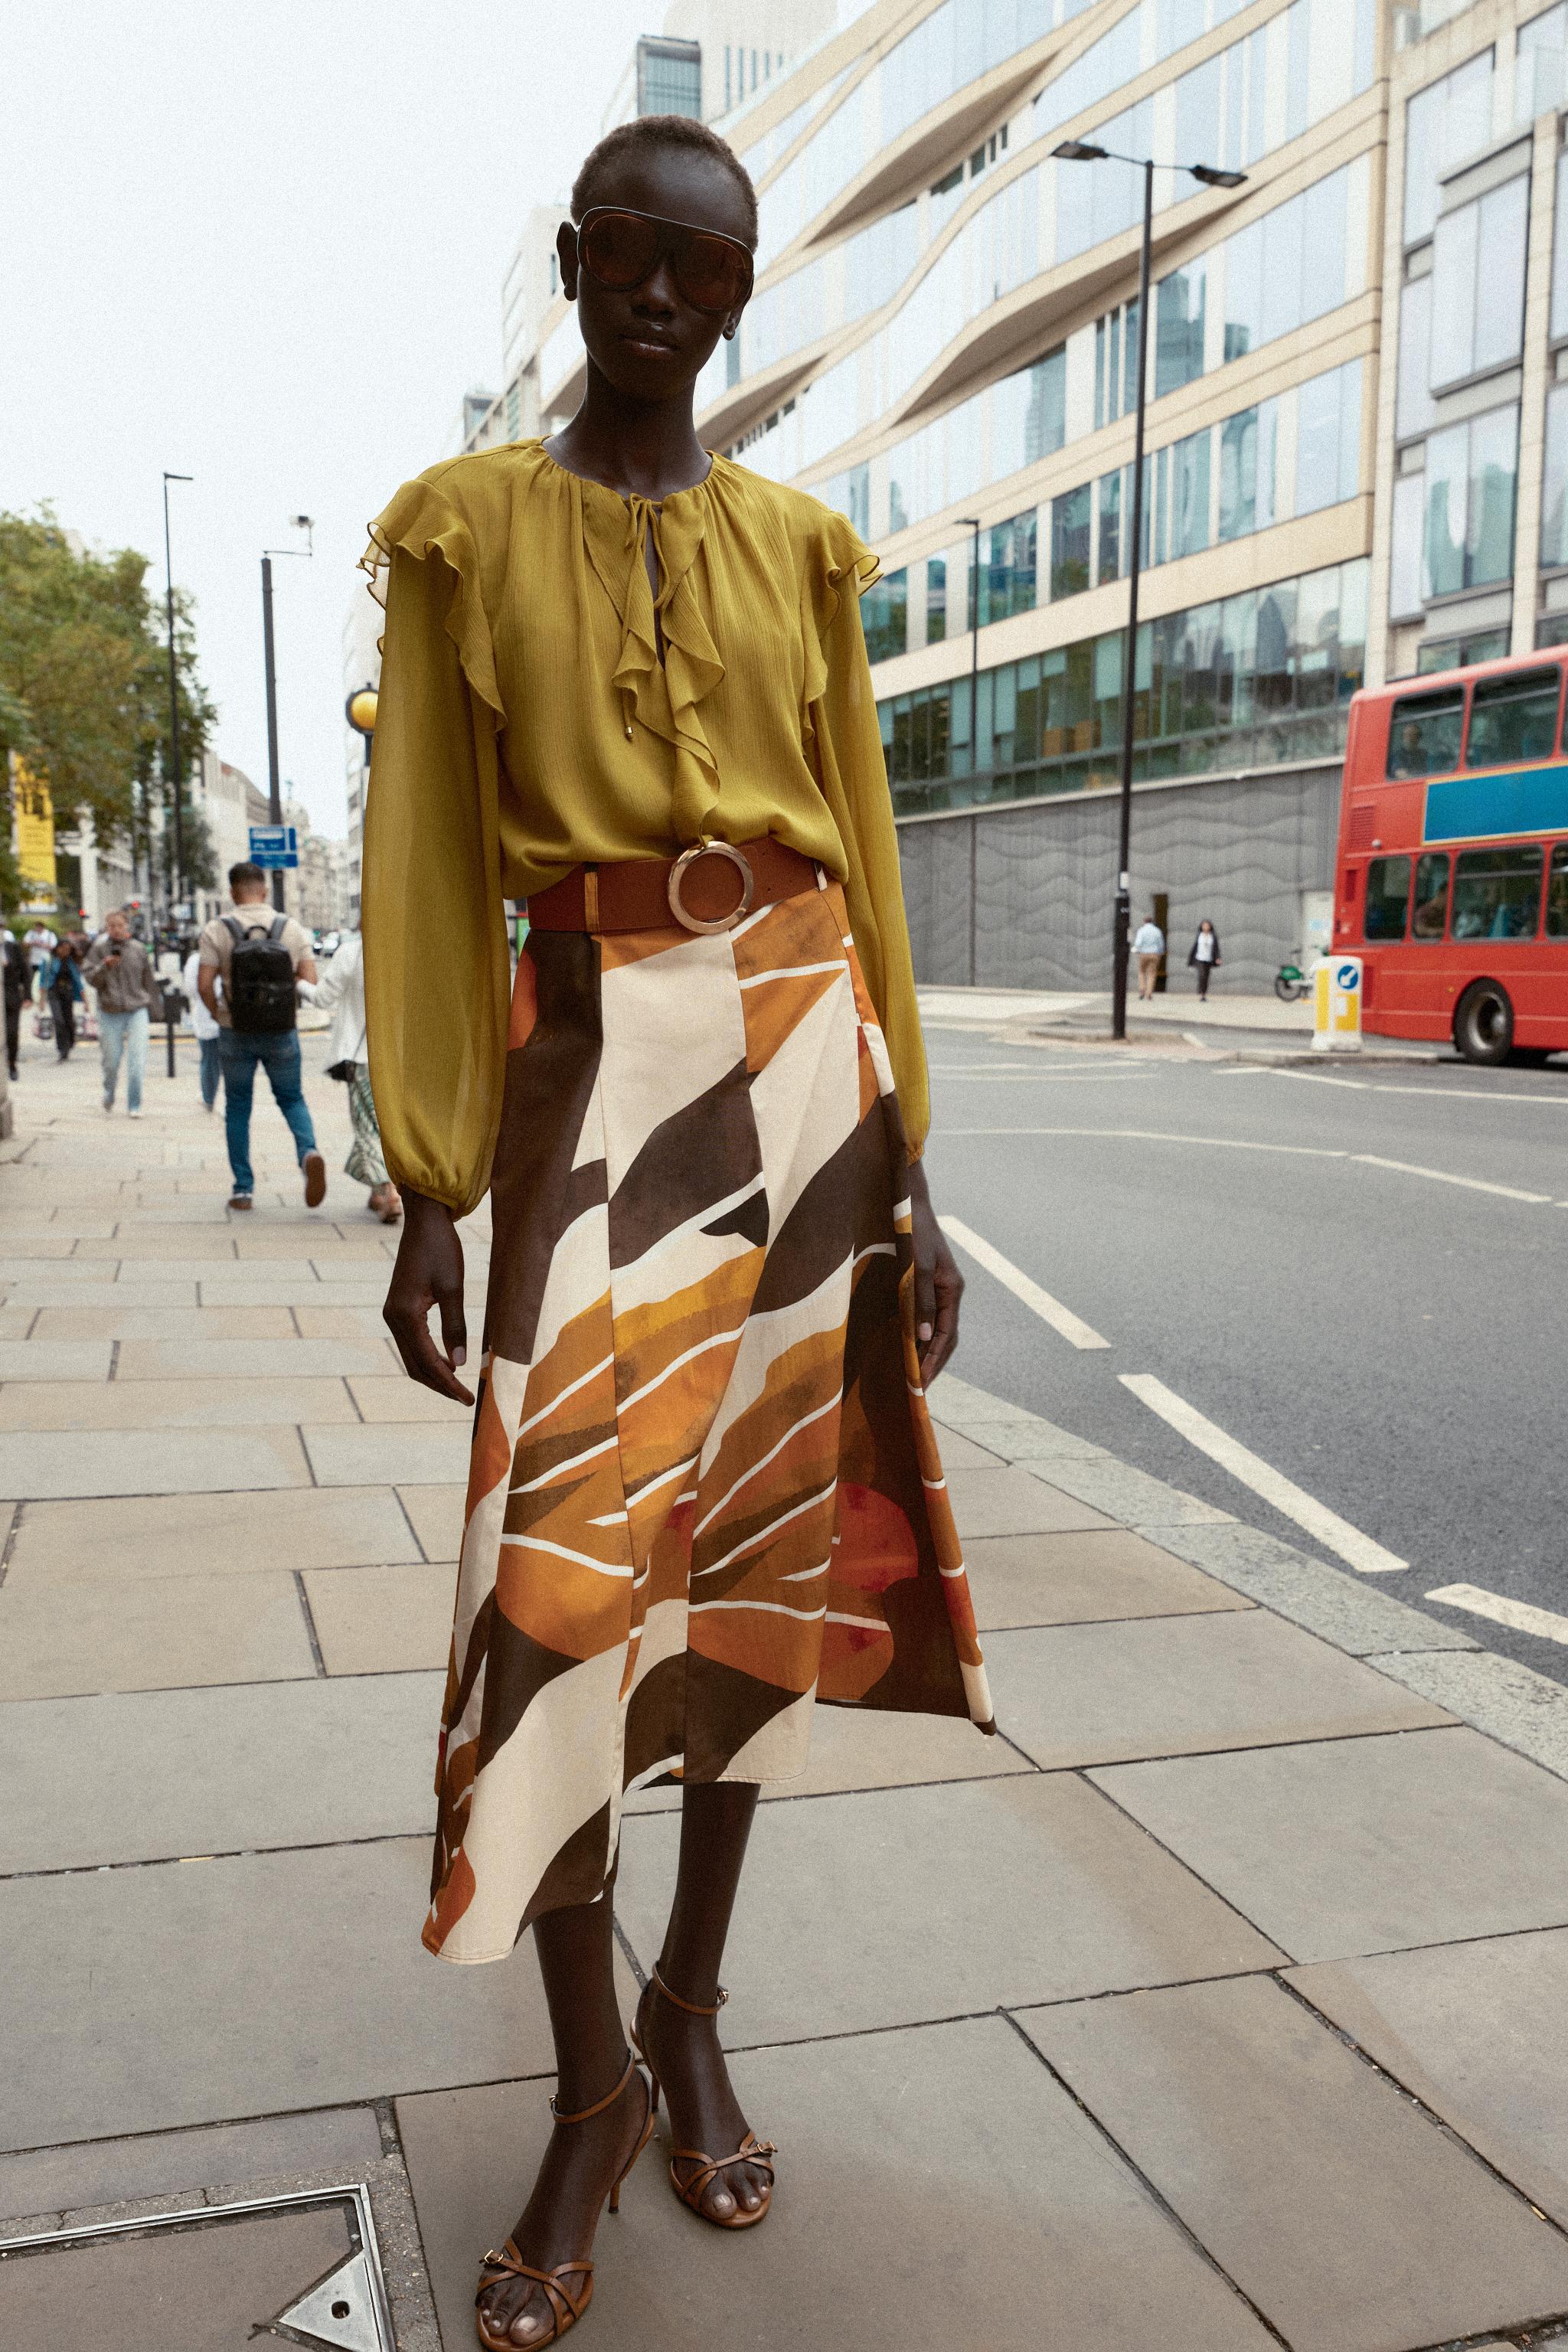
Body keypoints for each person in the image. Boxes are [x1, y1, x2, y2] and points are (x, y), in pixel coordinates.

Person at [364, 113, 991, 2352]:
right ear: (573, 259)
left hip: (803, 1068)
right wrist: (430, 1175)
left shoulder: (806, 555)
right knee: (547, 1612)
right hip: (585, 1082)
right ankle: (589, 2083)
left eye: (700, 266)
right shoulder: (465, 535)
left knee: (740, 1596)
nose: (658, 291)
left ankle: (696, 2006)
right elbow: (429, 862)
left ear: (738, 298)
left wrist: (908, 1170)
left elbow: (872, 865)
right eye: (623, 251)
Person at [197, 861, 325, 1212]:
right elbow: (310, 982)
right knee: (292, 1099)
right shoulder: (291, 928)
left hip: (234, 1029)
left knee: (238, 1107)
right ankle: (309, 1152)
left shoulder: (216, 929)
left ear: (233, 892)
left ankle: (243, 1190)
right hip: (281, 1031)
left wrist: (218, 1013)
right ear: (264, 890)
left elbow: (204, 985)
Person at [297, 932, 400, 1220]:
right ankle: (375, 1194)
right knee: (384, 1125)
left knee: (367, 1127)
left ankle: (388, 1191)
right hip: (399, 1063)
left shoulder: (353, 952)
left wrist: (299, 984)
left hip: (362, 1058)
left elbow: (323, 997)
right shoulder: (406, 951)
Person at [83, 910, 156, 1116]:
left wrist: (156, 1008)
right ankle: (109, 1091)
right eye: (111, 926)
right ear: (107, 928)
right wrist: (104, 967)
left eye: (120, 925)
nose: (116, 929)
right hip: (109, 1010)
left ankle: (135, 1105)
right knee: (111, 1060)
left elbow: (148, 980)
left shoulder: (138, 949)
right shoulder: (98, 949)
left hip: (137, 1009)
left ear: (127, 926)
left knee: (137, 1059)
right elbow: (91, 980)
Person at [182, 936, 222, 1111]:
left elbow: (191, 989)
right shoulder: (231, 955)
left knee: (209, 1060)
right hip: (232, 1019)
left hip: (206, 1017)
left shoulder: (195, 960)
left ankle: (209, 1098)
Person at [39, 936, 83, 1060]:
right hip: (54, 993)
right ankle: (62, 1048)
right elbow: (43, 981)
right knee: (59, 1020)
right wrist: (42, 1001)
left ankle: (70, 1042)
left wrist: (86, 1001)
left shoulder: (71, 961)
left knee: (68, 1019)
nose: (65, 951)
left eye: (68, 949)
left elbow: (78, 980)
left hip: (68, 993)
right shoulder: (49, 960)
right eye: (63, 949)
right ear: (58, 948)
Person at [3, 931, 25, 1081]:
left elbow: (25, 970)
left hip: (11, 997)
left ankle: (11, 1064)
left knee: (11, 1033)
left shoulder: (12, 947)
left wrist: (28, 996)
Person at [1132, 910, 1165, 1001]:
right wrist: (1161, 953)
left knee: (1142, 972)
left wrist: (1135, 949)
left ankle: (1142, 989)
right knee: (1152, 974)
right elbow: (1161, 944)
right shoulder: (1157, 931)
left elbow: (1138, 943)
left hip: (1143, 954)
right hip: (1154, 954)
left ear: (1144, 922)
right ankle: (1149, 992)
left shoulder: (1141, 930)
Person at [1187, 917, 1222, 1001]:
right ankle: (1201, 991)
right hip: (1199, 958)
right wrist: (1191, 958)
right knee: (1202, 975)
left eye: (1207, 926)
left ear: (1210, 927)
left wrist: (1218, 958)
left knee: (1206, 977)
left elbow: (1216, 948)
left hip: (1209, 959)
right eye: (1204, 925)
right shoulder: (1199, 935)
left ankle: (1203, 994)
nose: (1205, 927)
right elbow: (1195, 947)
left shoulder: (1213, 936)